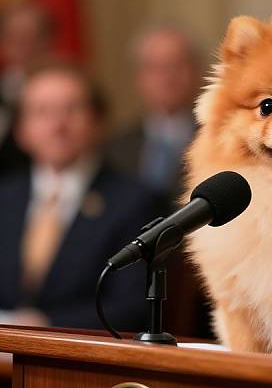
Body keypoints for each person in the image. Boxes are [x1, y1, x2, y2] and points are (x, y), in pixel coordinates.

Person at [0, 61, 161, 330]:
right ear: (21, 131)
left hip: (82, 359)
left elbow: (133, 305)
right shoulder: (4, 196)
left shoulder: (135, 202)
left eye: (71, 109)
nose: (57, 125)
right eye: (42, 112)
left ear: (98, 121)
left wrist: (44, 324)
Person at [107, 24, 199, 208]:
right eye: (155, 67)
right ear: (138, 77)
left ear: (197, 71)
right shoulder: (114, 147)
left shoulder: (218, 140)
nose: (167, 77)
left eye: (177, 65)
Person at [0, 1, 56, 174]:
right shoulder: (4, 87)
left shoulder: (69, 90)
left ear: (50, 39)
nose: (24, 45)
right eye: (15, 37)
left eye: (33, 36)